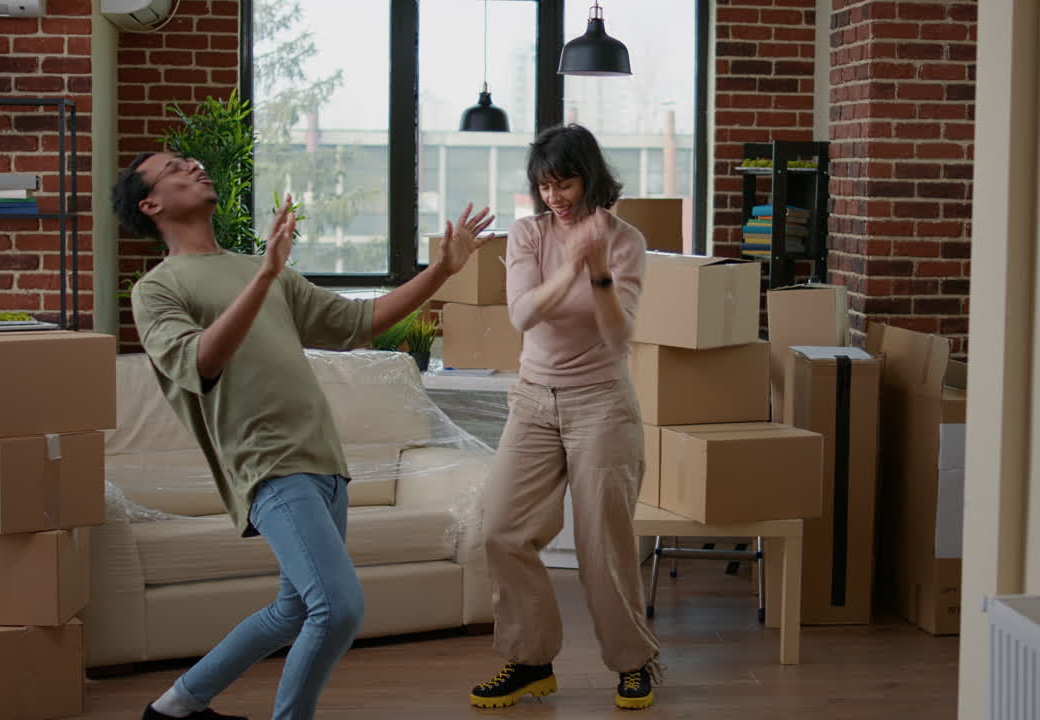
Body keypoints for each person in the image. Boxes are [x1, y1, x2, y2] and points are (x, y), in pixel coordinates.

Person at [111, 151, 494, 720]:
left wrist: (441, 272)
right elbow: (200, 362)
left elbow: (357, 324)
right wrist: (266, 274)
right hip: (269, 467)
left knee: (292, 610)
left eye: (191, 161)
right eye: (175, 167)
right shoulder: (158, 290)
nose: (194, 166)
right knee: (337, 609)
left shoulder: (257, 268)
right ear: (151, 204)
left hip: (325, 462)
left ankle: (174, 706)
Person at [468, 124, 661, 711]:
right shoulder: (527, 235)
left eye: (566, 182)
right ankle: (530, 662)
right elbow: (524, 313)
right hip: (532, 399)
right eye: (545, 186)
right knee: (500, 529)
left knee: (602, 544)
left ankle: (634, 663)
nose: (555, 196)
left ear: (591, 178)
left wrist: (596, 268)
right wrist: (571, 265)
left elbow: (618, 332)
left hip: (601, 401)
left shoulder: (626, 241)